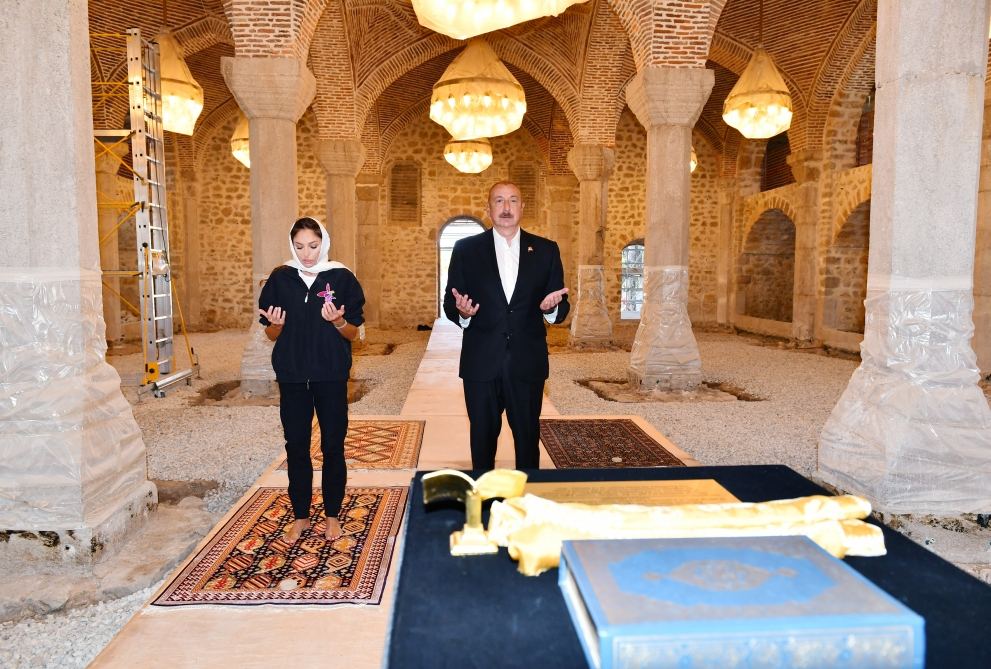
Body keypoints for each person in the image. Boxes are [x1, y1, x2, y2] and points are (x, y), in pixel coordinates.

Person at [443, 181, 570, 471]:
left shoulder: (546, 250)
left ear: (523, 207)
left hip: (527, 362)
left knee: (527, 439)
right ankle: (485, 505)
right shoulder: (466, 250)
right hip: (481, 362)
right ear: (488, 209)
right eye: (499, 201)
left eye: (513, 200)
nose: (506, 207)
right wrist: (463, 313)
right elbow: (451, 302)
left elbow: (561, 304)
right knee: (482, 439)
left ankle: (524, 504)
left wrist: (551, 309)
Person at [258, 217, 365, 543]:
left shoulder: (342, 277)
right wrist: (275, 325)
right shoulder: (280, 278)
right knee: (296, 447)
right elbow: (272, 333)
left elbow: (355, 334)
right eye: (300, 246)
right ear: (293, 245)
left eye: (313, 246)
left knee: (333, 446)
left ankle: (332, 516)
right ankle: (301, 515)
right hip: (291, 377)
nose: (307, 254)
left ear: (324, 243)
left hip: (330, 374)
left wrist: (338, 321)